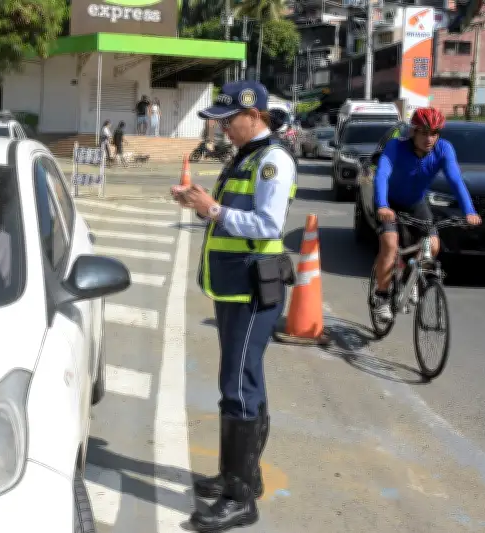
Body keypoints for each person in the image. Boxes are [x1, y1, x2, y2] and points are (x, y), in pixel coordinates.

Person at [170, 81, 296, 532]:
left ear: (254, 115)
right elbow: (227, 213)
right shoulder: (246, 156)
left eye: (229, 120)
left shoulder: (272, 160)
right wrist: (200, 203)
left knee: (238, 386)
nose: (223, 128)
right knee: (245, 381)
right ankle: (240, 476)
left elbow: (268, 223)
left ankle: (240, 498)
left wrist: (213, 210)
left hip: (250, 289)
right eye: (219, 121)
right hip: (234, 287)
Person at [371, 107, 481, 322]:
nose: (429, 139)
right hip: (390, 204)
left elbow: (455, 180)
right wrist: (382, 205)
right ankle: (381, 297)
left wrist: (469, 211)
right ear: (413, 131)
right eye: (423, 132)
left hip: (416, 203)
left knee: (434, 245)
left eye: (434, 133)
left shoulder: (444, 149)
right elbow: (382, 174)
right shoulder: (396, 146)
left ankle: (408, 279)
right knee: (390, 245)